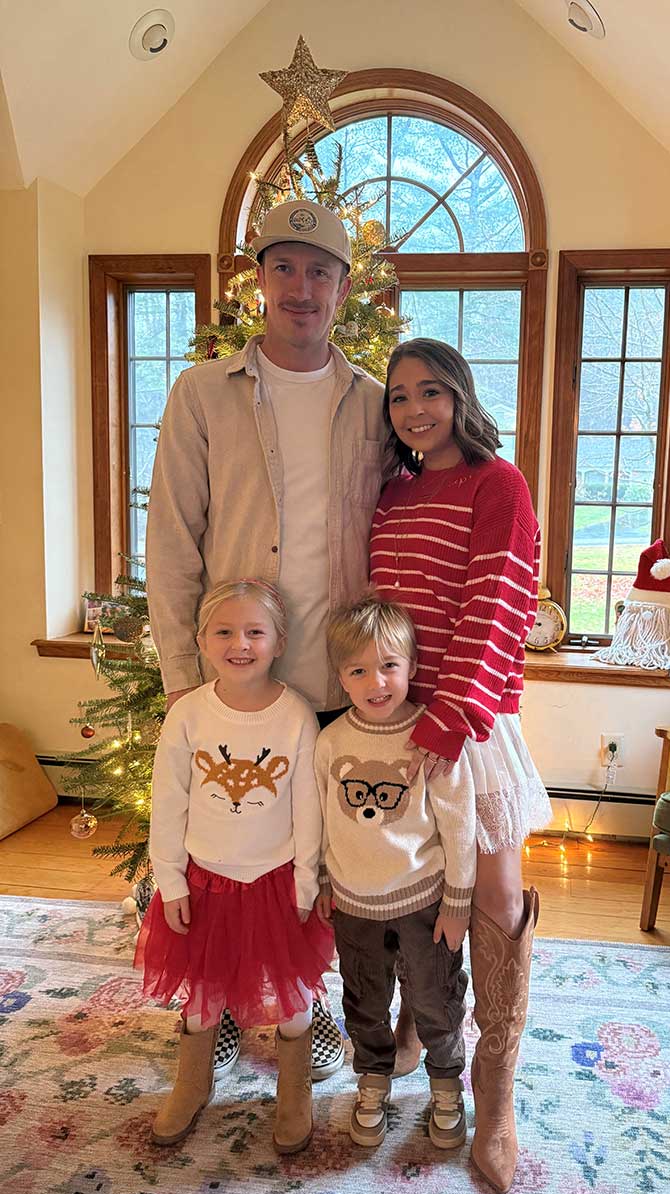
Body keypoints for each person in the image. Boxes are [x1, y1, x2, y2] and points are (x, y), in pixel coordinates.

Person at [145, 197, 386, 1080]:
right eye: (283, 266)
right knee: (226, 850)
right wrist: (182, 680)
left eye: (319, 270)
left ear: (343, 288)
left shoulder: (374, 402)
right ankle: (219, 1010)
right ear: (259, 280)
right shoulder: (203, 392)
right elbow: (172, 539)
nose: (300, 286)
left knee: (321, 862)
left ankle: (304, 1004)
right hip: (234, 684)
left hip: (339, 686)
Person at [370, 337, 552, 1194]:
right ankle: (417, 1021)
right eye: (399, 396)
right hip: (395, 723)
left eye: (431, 392)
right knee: (412, 885)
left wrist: (446, 722)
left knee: (494, 895)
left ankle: (496, 1084)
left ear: (461, 397)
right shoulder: (392, 493)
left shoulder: (499, 484)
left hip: (469, 727)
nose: (415, 409)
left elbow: (499, 609)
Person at [135, 579, 333, 1152]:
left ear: (279, 641)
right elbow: (168, 800)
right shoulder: (189, 714)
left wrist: (305, 880)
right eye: (224, 631)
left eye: (254, 632)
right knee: (203, 988)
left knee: (293, 993)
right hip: (205, 882)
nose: (239, 643)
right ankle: (192, 1083)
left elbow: (308, 807)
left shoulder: (295, 715)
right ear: (200, 640)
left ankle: (294, 1092)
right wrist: (170, 880)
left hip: (276, 882)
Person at [310, 596, 476, 1150]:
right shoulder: (330, 742)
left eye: (389, 666)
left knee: (433, 995)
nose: (376, 681)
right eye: (359, 670)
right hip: (353, 902)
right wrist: (321, 880)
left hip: (423, 899)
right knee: (364, 995)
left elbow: (458, 823)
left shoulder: (430, 737)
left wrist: (457, 901)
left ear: (411, 667)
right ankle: (373, 1077)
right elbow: (319, 816)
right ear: (341, 677)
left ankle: (448, 1083)